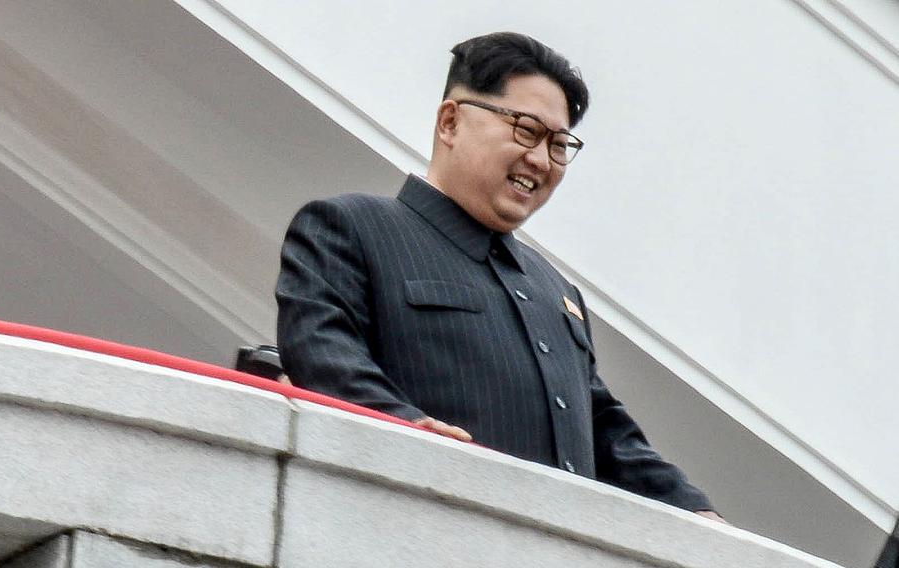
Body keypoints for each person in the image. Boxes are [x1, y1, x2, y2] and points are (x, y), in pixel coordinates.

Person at [276, 31, 722, 521]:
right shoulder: (352, 228)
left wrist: (689, 507)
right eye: (526, 130)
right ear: (450, 122)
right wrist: (407, 429)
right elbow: (323, 355)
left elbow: (602, 428)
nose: (540, 160)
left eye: (558, 144)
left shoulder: (557, 292)